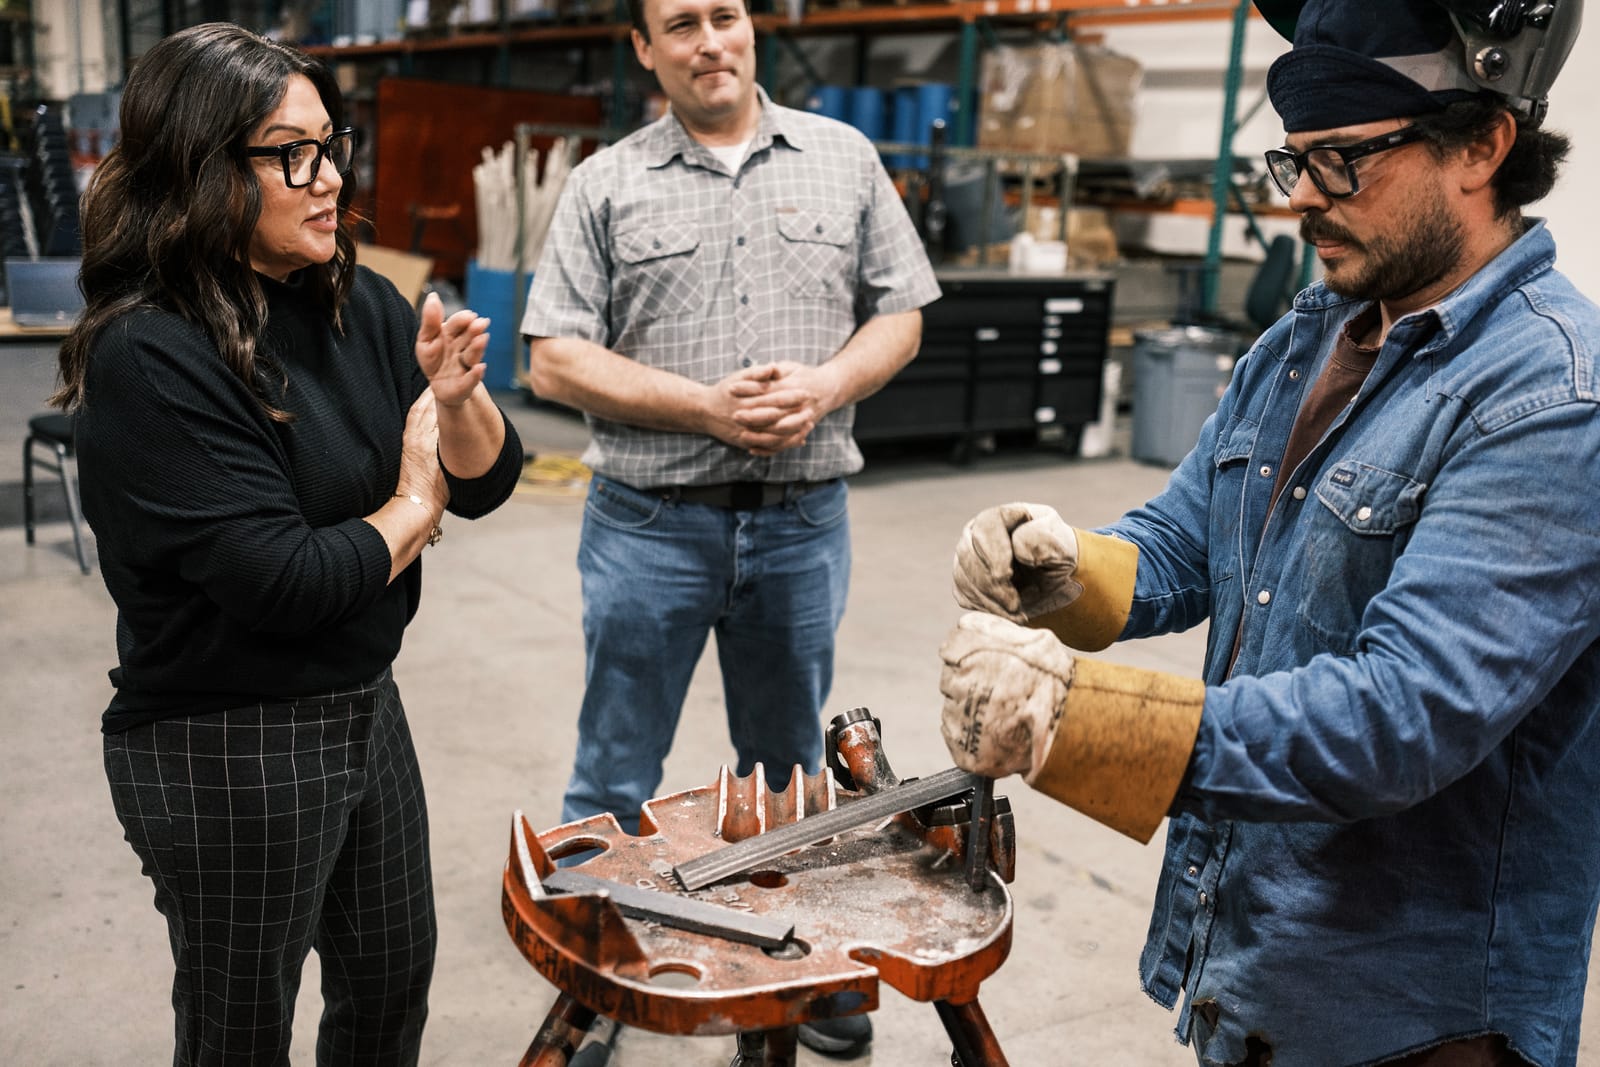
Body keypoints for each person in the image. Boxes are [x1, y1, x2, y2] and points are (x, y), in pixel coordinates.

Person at [937, 2, 1599, 1065]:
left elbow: (1401, 718)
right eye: (1289, 162)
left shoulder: (1553, 398)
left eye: (1339, 162)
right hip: (1254, 958)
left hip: (1412, 1016)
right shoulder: (1313, 335)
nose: (1299, 201)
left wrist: (1075, 717)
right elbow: (1195, 538)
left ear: (1482, 144)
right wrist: (1065, 568)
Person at [54, 23, 524, 1066]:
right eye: (288, 153)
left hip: (362, 700)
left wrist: (456, 403)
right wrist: (412, 498)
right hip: (223, 738)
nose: (327, 180)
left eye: (330, 143)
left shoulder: (355, 298)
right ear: (200, 168)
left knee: (392, 979)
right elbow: (289, 580)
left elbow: (487, 478)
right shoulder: (151, 352)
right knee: (242, 1023)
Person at [520, 0, 938, 1055]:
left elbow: (903, 310)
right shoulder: (603, 182)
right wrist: (703, 405)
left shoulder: (842, 159)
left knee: (791, 766)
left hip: (799, 523)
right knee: (615, 770)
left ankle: (801, 970)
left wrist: (829, 384)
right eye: (681, 23)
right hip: (649, 523)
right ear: (644, 49)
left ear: (749, 27)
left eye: (726, 14)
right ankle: (604, 982)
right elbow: (551, 357)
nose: (710, 40)